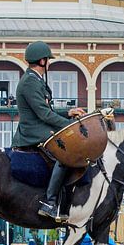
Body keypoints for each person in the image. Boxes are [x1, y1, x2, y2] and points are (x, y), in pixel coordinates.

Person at [12, 41, 85, 221]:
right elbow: (44, 115)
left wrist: (69, 113)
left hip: (40, 127)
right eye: (48, 60)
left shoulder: (35, 80)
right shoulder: (30, 81)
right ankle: (50, 202)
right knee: (64, 157)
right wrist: (69, 126)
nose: (49, 63)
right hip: (33, 132)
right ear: (42, 61)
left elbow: (48, 111)